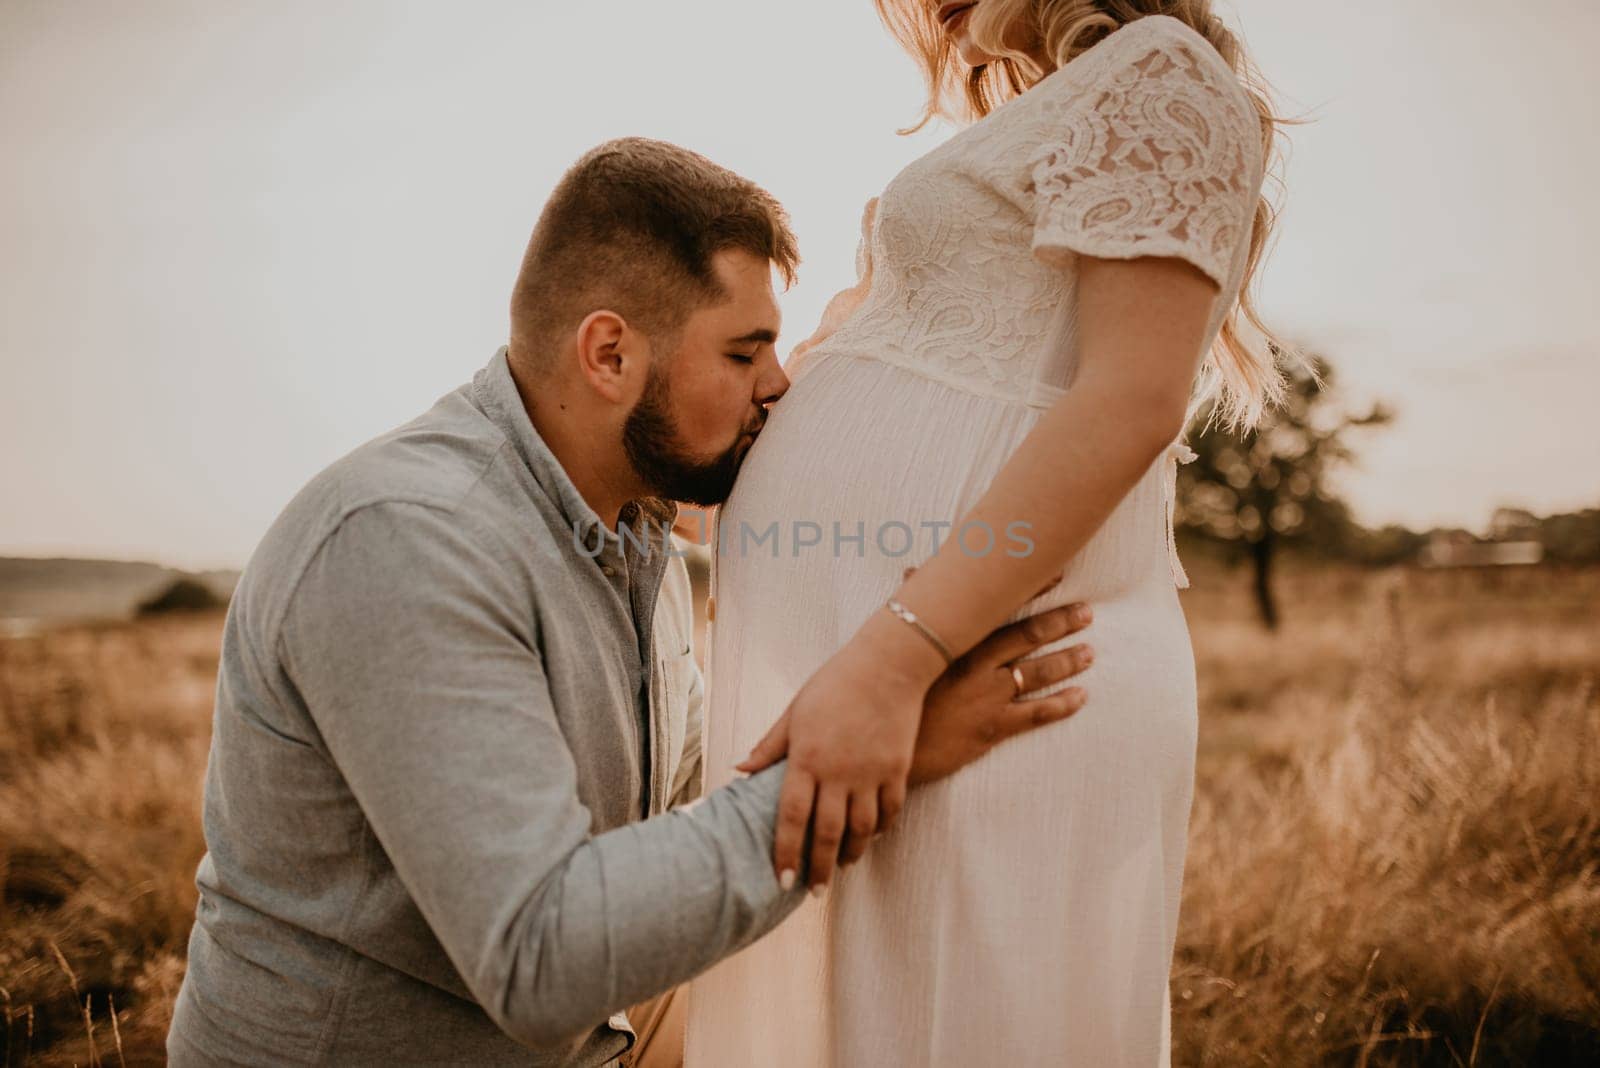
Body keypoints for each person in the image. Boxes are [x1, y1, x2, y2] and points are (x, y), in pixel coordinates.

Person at [165, 137, 1101, 1066]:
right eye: (745, 351)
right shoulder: (407, 539)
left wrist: (891, 673)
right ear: (609, 354)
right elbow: (544, 961)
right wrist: (865, 763)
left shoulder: (632, 527)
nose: (778, 384)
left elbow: (698, 795)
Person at [685, 2, 1289, 1064]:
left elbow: (1127, 404)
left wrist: (892, 656)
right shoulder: (1045, 115)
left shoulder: (1157, 71)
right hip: (901, 675)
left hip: (986, 673)